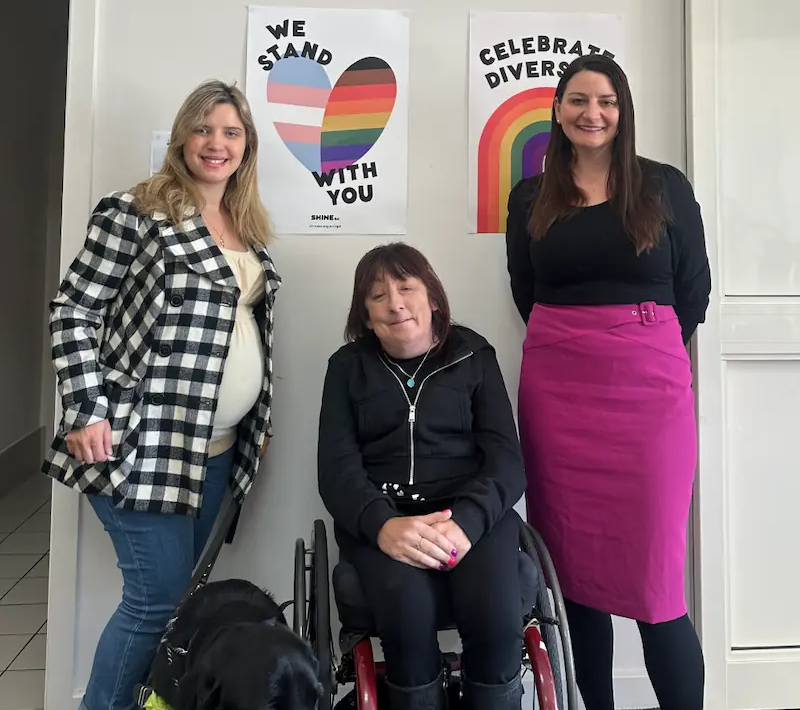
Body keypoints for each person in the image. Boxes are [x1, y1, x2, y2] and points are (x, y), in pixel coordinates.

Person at [42, 79, 281, 710]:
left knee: (179, 601)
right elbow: (73, 311)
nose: (216, 144)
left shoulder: (245, 223)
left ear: (247, 144)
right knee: (154, 599)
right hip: (138, 439)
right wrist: (86, 406)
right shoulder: (135, 211)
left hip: (219, 446)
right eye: (204, 129)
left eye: (231, 132)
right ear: (181, 136)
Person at [505, 54, 711, 710]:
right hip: (558, 394)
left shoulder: (664, 186)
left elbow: (695, 289)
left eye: (606, 101)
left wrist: (636, 343)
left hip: (649, 393)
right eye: (577, 100)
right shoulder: (530, 197)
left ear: (623, 111)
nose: (592, 113)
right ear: (558, 110)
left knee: (657, 589)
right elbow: (525, 289)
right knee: (574, 582)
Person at [317, 243, 527, 710]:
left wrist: (466, 521)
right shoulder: (346, 369)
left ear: (432, 298)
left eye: (406, 288)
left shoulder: (473, 356)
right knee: (405, 608)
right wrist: (382, 525)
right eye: (377, 296)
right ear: (365, 316)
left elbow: (507, 462)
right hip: (385, 521)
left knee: (495, 611)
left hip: (472, 517)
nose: (395, 303)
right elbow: (336, 470)